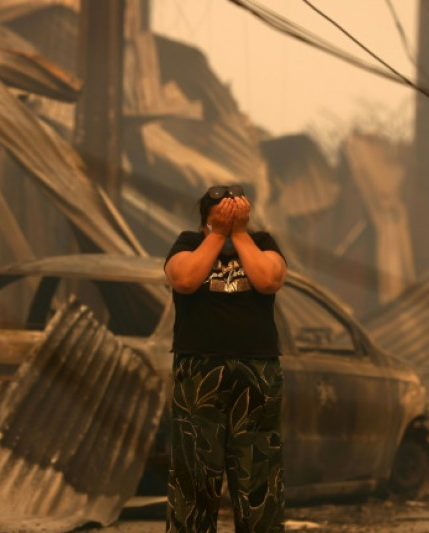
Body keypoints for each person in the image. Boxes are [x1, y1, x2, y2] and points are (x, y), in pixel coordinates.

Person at [163, 184, 288, 533]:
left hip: (257, 370)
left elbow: (269, 280)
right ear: (206, 218)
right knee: (193, 474)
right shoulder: (188, 242)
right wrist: (218, 234)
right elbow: (184, 280)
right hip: (199, 370)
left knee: (259, 474)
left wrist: (241, 234)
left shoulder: (262, 242)